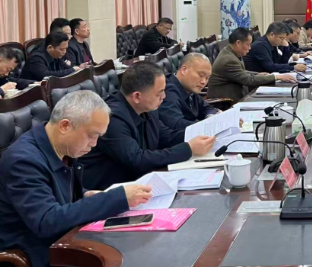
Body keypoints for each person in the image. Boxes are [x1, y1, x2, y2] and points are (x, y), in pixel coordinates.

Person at [0, 91, 152, 267]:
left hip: (60, 245)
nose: (94, 144)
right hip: (32, 259)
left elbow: (57, 193)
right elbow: (47, 221)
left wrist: (85, 194)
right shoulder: (23, 162)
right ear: (65, 126)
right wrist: (116, 198)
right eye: (91, 135)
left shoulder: (63, 148)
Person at [80, 62, 216, 190]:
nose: (164, 96)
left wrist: (201, 133)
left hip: (139, 182)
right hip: (108, 190)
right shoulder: (112, 118)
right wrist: (188, 149)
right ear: (137, 96)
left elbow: (166, 136)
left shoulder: (148, 108)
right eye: (159, 93)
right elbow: (137, 160)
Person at [208, 27, 296, 102]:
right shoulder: (229, 60)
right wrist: (276, 77)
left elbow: (241, 71)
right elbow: (248, 80)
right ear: (238, 43)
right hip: (225, 102)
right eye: (248, 44)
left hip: (237, 96)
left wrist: (257, 74)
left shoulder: (231, 52)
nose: (250, 48)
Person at [157, 53, 218, 131]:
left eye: (207, 78)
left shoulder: (190, 87)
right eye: (201, 75)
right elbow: (176, 124)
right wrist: (208, 125)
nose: (204, 82)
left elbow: (206, 108)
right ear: (184, 70)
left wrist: (211, 116)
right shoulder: (168, 91)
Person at [244, 22, 308, 73]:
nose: (283, 41)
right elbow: (270, 67)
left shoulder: (272, 43)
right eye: (281, 38)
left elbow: (280, 63)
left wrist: (286, 47)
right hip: (256, 79)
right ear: (272, 35)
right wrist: (293, 67)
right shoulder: (260, 45)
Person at [21, 32, 86, 81]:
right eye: (61, 49)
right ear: (50, 47)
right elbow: (46, 75)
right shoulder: (36, 58)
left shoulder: (57, 55)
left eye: (66, 48)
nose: (65, 52)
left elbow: (66, 68)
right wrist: (72, 70)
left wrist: (77, 69)